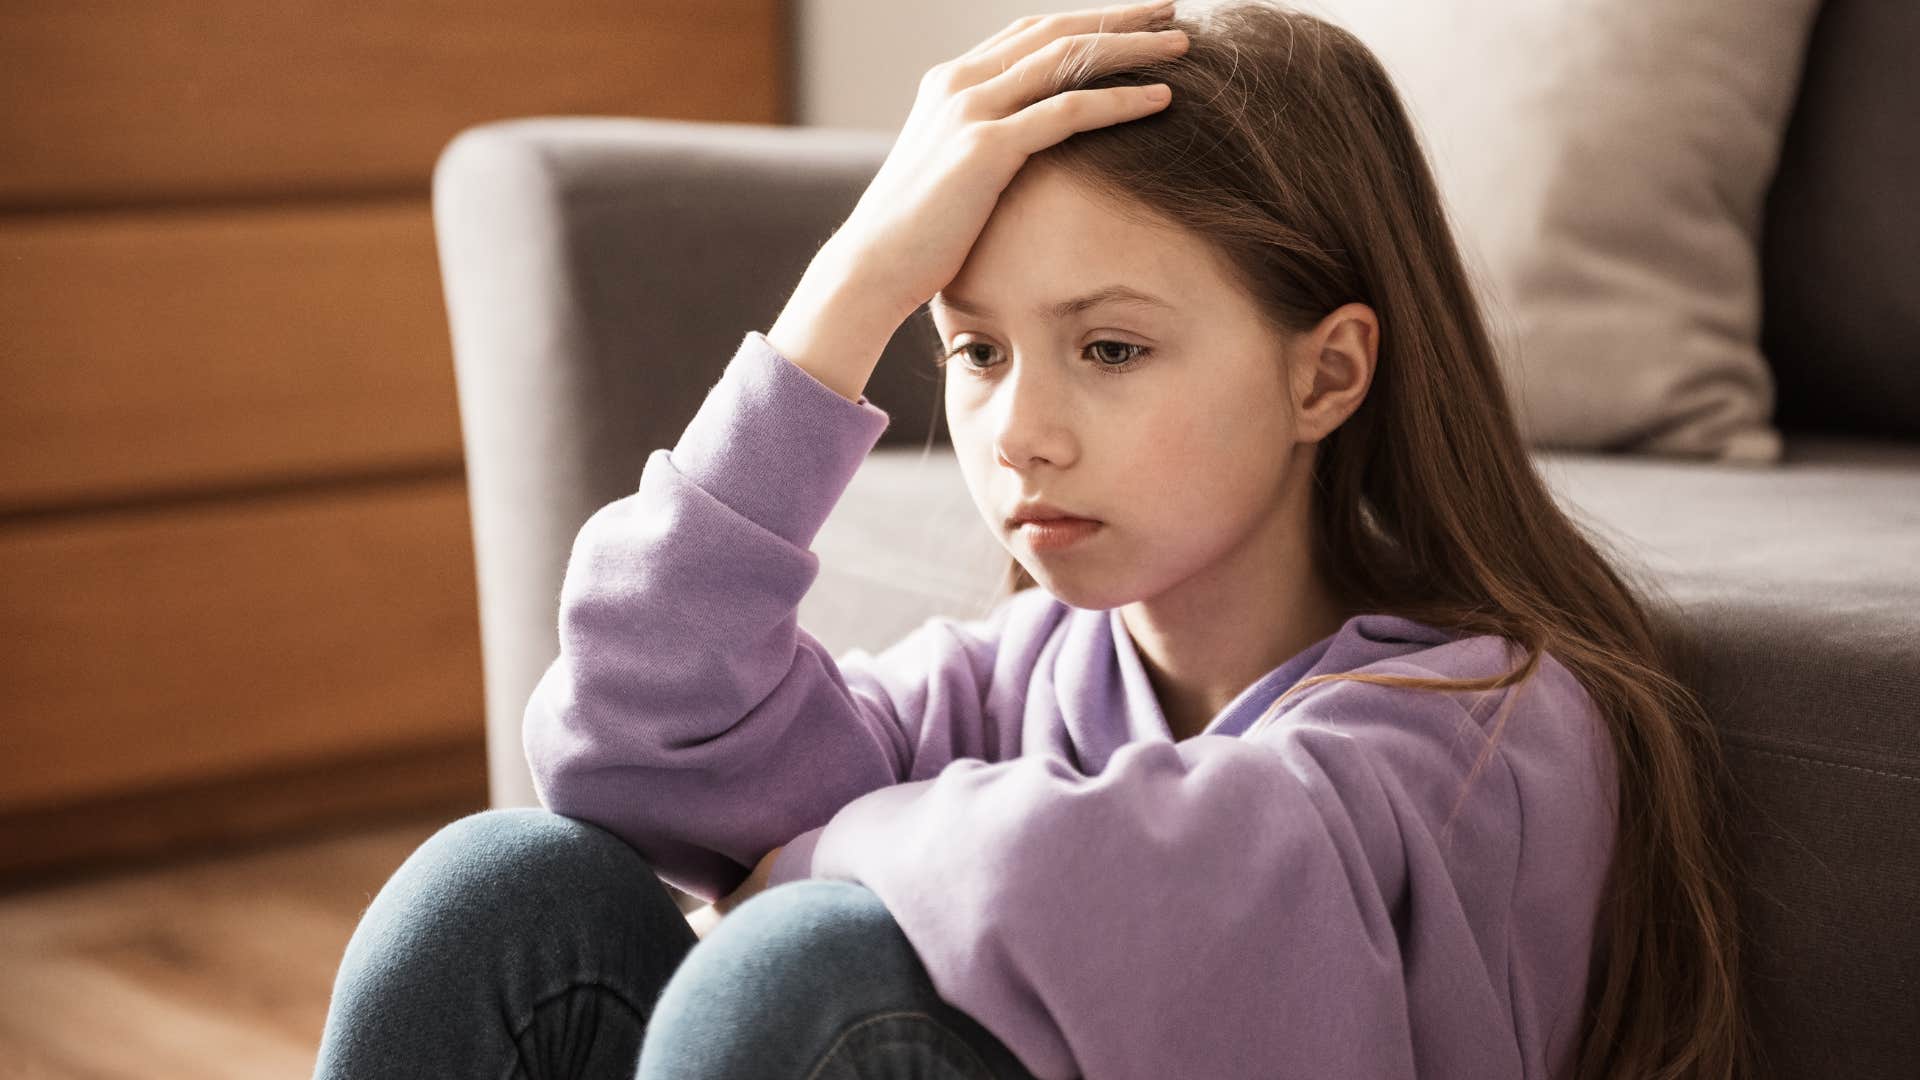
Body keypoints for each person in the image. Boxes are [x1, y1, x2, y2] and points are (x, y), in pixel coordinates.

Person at [314, 2, 1757, 1077]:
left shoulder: (1478, 730)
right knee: (502, 892)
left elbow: (1145, 876)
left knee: (797, 973)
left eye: (1112, 348)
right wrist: (845, 294)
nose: (1016, 433)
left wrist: (798, 856)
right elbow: (630, 745)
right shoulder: (1020, 678)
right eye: (977, 349)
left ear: (1326, 373)